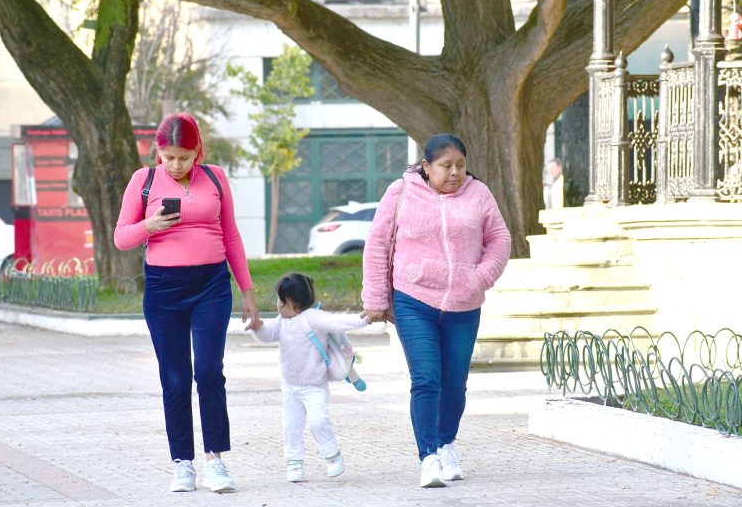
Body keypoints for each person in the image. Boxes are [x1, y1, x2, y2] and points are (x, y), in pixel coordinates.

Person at [113, 112, 261, 494]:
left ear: (198, 150)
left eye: (184, 156)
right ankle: (182, 463)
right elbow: (120, 238)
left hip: (211, 286)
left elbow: (231, 234)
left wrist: (247, 291)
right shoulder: (142, 181)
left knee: (210, 371)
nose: (176, 165)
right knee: (175, 378)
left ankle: (216, 461)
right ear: (158, 152)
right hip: (164, 290)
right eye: (169, 157)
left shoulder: (214, 177)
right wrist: (150, 226)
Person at [361, 134, 511, 488]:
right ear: (426, 166)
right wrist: (375, 298)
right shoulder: (400, 193)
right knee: (426, 379)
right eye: (446, 166)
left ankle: (446, 445)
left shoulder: (479, 194)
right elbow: (378, 244)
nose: (455, 172)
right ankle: (427, 457)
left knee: (454, 385)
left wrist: (478, 278)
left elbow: (500, 239)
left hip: (464, 303)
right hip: (414, 299)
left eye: (460, 165)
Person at [250, 273, 368, 483]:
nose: (277, 304)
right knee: (291, 425)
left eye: (279, 299)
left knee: (318, 421)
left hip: (314, 386)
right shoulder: (282, 321)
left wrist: (365, 318)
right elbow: (267, 336)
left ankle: (332, 455)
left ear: (289, 301)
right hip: (290, 387)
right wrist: (258, 327)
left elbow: (339, 321)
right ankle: (294, 462)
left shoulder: (313, 318)